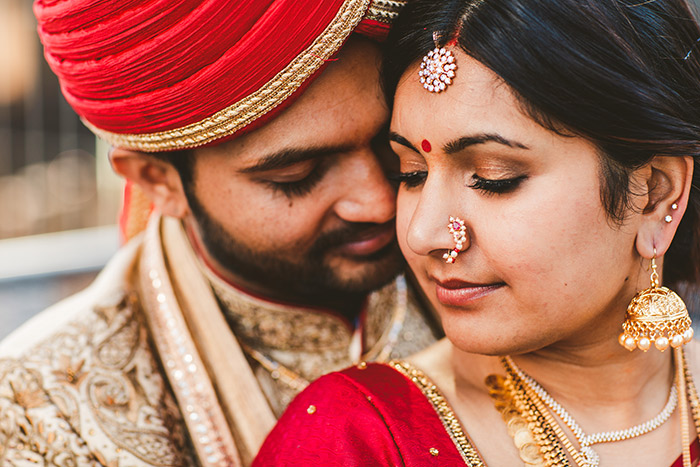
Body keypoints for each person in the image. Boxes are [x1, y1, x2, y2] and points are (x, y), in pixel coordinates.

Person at [255, 0, 700, 465]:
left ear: (654, 195)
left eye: (493, 178)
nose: (423, 234)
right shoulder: (352, 438)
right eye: (411, 174)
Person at [0, 1, 443, 466]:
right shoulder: (39, 411)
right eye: (298, 175)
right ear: (159, 180)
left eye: (394, 146)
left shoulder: (498, 273)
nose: (376, 201)